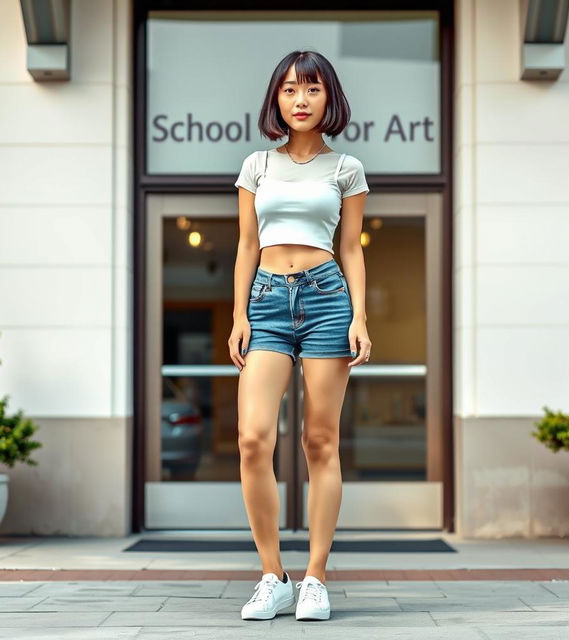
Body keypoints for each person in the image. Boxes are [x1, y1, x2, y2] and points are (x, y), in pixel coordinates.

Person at [229, 50, 371, 622]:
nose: (301, 100)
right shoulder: (257, 165)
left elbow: (352, 248)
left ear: (327, 98)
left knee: (320, 443)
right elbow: (245, 244)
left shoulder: (346, 169)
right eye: (290, 91)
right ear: (277, 101)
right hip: (265, 301)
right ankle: (273, 576)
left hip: (327, 299)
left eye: (311, 90)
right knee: (252, 439)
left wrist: (360, 316)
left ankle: (315, 577)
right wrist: (238, 314)